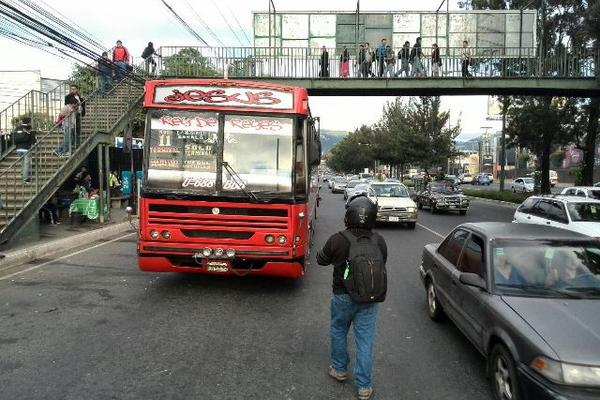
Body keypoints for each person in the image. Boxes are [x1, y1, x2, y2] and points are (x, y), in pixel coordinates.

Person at [317, 196, 387, 400]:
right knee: (365, 340)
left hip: (342, 297)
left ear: (348, 216)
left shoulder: (338, 239)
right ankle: (364, 386)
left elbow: (321, 261)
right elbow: (383, 263)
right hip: (369, 298)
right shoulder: (379, 241)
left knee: (339, 331)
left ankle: (339, 369)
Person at [13, 118, 36, 183]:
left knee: (22, 162)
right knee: (26, 164)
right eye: (30, 122)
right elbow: (33, 139)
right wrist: (34, 142)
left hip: (18, 149)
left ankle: (22, 174)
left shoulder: (17, 128)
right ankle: (25, 179)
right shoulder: (29, 127)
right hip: (26, 148)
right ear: (29, 122)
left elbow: (14, 138)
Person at [65, 85, 85, 149]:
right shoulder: (68, 97)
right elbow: (67, 106)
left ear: (77, 90)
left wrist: (82, 100)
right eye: (71, 89)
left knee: (78, 128)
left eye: (74, 89)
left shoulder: (79, 96)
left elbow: (83, 104)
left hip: (79, 114)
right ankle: (73, 143)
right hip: (72, 114)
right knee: (72, 129)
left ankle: (77, 143)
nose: (73, 90)